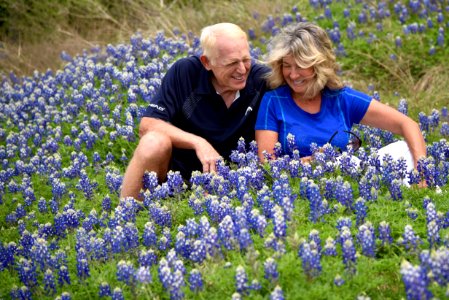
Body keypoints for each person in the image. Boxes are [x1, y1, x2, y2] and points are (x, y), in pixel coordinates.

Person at [120, 23, 269, 200]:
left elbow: (301, 85)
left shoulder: (262, 79)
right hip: (176, 176)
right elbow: (148, 125)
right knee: (152, 142)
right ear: (207, 62)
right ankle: (128, 213)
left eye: (246, 60)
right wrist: (199, 143)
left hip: (236, 180)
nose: (243, 69)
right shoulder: (186, 72)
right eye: (232, 63)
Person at [255, 22, 426, 175]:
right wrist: (312, 162)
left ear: (318, 65)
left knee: (403, 148)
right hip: (298, 186)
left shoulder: (341, 98)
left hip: (348, 177)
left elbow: (407, 124)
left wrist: (423, 172)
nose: (292, 74)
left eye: (301, 65)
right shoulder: (273, 101)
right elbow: (268, 165)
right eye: (287, 66)